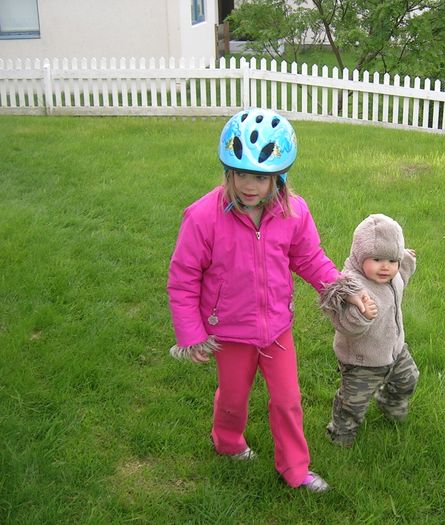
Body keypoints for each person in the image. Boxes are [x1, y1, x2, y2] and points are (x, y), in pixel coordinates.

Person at [166, 108, 368, 493]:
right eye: (240, 173)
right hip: (229, 331)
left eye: (260, 176)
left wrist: (344, 289)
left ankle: (294, 469)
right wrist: (191, 332)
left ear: (279, 176)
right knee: (233, 398)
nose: (249, 185)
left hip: (276, 328)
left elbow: (309, 258)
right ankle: (227, 443)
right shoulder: (203, 216)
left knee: (288, 401)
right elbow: (183, 278)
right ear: (228, 171)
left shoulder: (293, 212)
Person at [321, 214, 419, 447]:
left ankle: (389, 402)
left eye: (392, 260)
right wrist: (362, 314)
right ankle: (340, 432)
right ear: (359, 255)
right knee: (353, 403)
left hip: (394, 350)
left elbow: (402, 275)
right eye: (377, 259)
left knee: (408, 379)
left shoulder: (391, 275)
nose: (386, 267)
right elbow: (345, 324)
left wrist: (405, 260)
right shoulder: (352, 287)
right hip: (362, 360)